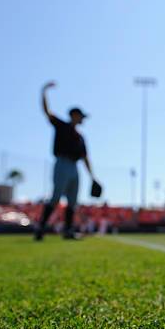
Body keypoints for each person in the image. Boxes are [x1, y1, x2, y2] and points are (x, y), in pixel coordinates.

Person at [34, 81, 96, 241]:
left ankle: (68, 231)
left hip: (75, 168)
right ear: (74, 115)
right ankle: (41, 227)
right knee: (56, 197)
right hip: (62, 163)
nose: (82, 119)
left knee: (73, 201)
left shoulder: (81, 137)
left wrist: (92, 177)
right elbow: (47, 111)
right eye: (81, 116)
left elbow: (85, 158)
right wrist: (44, 92)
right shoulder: (62, 126)